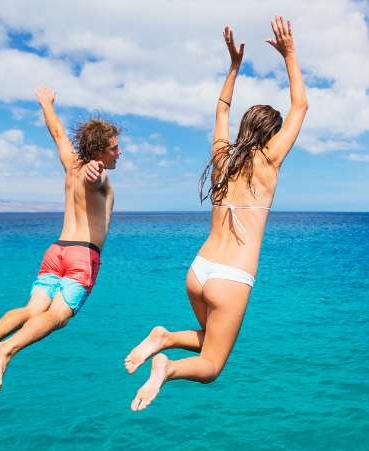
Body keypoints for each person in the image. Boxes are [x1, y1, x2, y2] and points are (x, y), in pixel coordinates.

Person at [124, 16, 307, 411]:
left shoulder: (221, 159)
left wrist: (234, 67)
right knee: (210, 365)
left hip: (200, 269)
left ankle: (164, 336)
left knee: (208, 335)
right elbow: (301, 104)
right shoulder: (270, 161)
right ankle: (166, 368)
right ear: (271, 136)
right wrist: (290, 55)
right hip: (230, 278)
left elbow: (221, 109)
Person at [0, 87, 120, 394]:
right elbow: (95, 177)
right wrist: (95, 172)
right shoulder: (98, 176)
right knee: (58, 316)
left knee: (31, 309)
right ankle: (6, 350)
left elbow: (58, 133)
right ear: (99, 152)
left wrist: (46, 105)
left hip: (56, 252)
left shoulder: (71, 164)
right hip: (82, 258)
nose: (119, 152)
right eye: (114, 148)